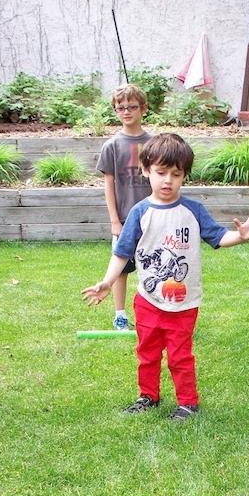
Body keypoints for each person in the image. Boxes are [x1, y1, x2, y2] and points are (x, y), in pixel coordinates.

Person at [82, 133, 249, 420]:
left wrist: (239, 237)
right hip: (148, 301)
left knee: (180, 356)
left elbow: (217, 237)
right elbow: (122, 252)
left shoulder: (193, 211)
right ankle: (148, 396)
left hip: (183, 302)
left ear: (184, 176)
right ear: (145, 171)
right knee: (147, 352)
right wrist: (107, 280)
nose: (168, 180)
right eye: (161, 172)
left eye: (176, 174)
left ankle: (188, 403)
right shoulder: (139, 213)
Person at [96, 84, 153, 331]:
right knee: (122, 266)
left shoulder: (154, 143)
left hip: (152, 218)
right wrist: (114, 220)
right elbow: (109, 184)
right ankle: (120, 315)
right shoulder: (111, 146)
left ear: (144, 109)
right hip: (124, 220)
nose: (126, 111)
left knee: (154, 265)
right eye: (121, 108)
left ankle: (155, 312)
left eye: (132, 107)